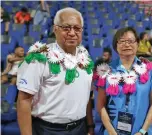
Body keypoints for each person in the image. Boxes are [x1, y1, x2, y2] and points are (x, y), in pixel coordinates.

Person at [17, 7, 95, 135]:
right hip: (48, 130)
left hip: (80, 128)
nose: (72, 33)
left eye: (77, 28)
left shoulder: (84, 55)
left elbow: (86, 95)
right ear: (55, 29)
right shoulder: (40, 57)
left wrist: (90, 126)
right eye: (66, 28)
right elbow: (24, 100)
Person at [96, 27, 152, 135]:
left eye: (131, 41)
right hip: (113, 131)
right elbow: (100, 105)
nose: (126, 45)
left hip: (142, 131)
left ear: (137, 44)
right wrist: (111, 132)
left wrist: (142, 131)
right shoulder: (105, 71)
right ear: (115, 46)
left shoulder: (149, 69)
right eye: (122, 41)